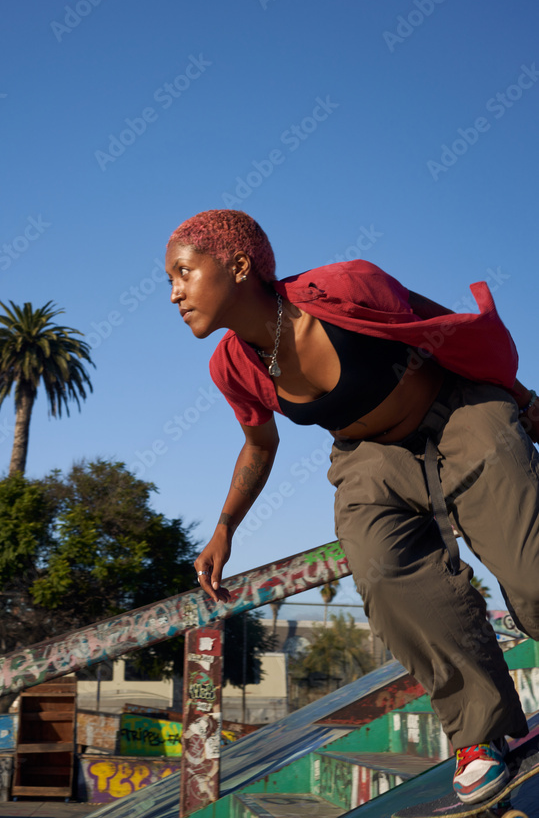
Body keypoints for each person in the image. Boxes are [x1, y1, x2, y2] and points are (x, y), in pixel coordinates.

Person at [165, 208, 539, 806]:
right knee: (382, 566)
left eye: (183, 273)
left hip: (458, 411)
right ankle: (481, 733)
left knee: (529, 570)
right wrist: (224, 528)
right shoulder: (231, 365)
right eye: (170, 282)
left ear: (237, 267)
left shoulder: (343, 287)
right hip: (370, 454)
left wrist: (520, 397)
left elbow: (440, 325)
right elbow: (259, 444)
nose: (176, 293)